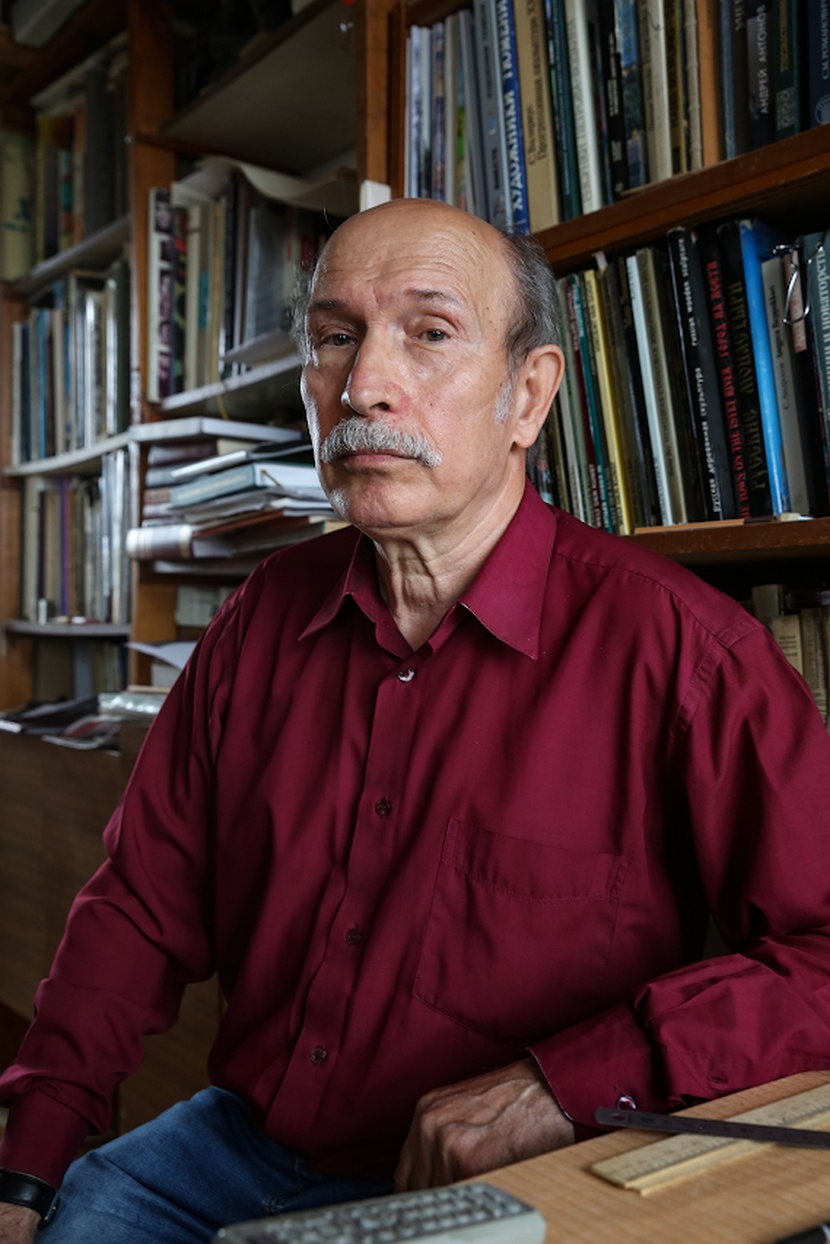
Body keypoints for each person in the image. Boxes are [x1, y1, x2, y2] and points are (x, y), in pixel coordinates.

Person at [2, 197, 830, 1244]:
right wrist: (26, 1165)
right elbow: (137, 906)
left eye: (428, 333)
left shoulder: (687, 654)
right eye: (334, 338)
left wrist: (561, 1081)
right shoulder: (260, 617)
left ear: (527, 395)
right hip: (230, 1145)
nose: (362, 386)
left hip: (505, 1179)